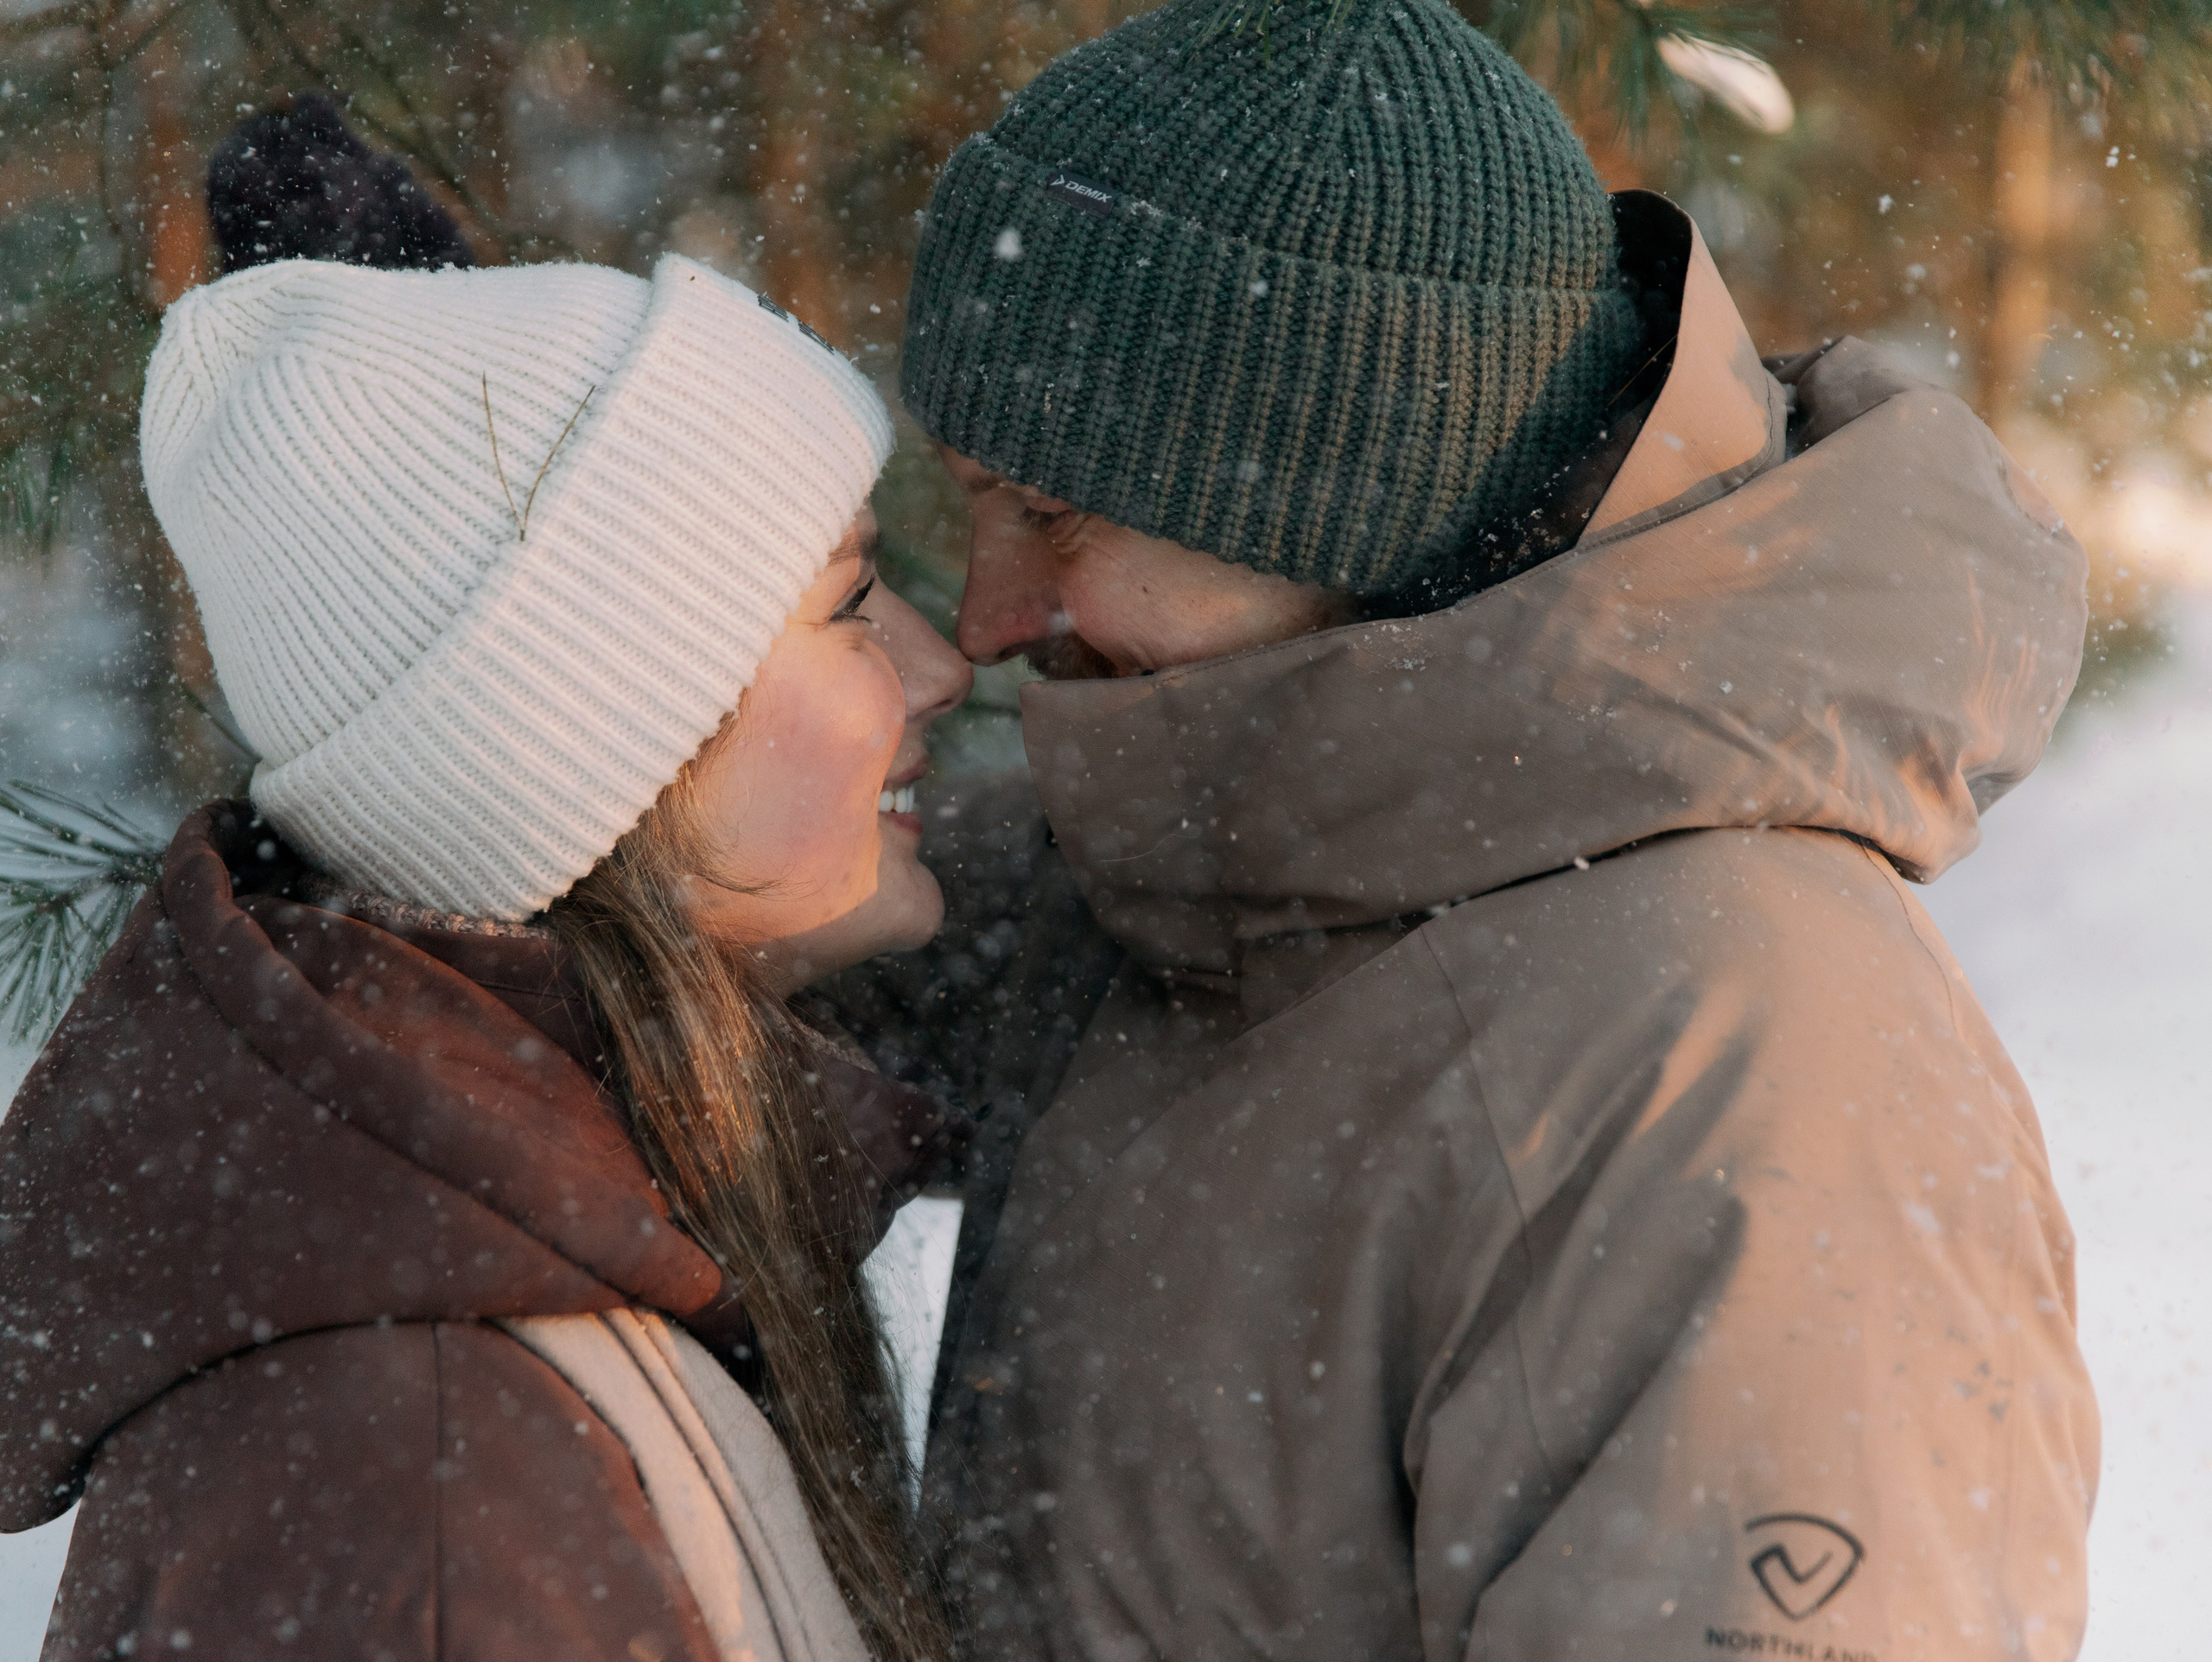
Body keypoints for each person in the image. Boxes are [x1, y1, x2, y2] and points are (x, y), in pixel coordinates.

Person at [822, 0, 2101, 1656]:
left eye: (1054, 514)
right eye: (967, 499)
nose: (986, 616)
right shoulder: (1201, 855)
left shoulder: (1737, 1086)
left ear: (1345, 491)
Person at [0, 207, 976, 1657]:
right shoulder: (428, 1493)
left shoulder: (515, 1295)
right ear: (602, 754)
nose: (943, 666)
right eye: (849, 604)